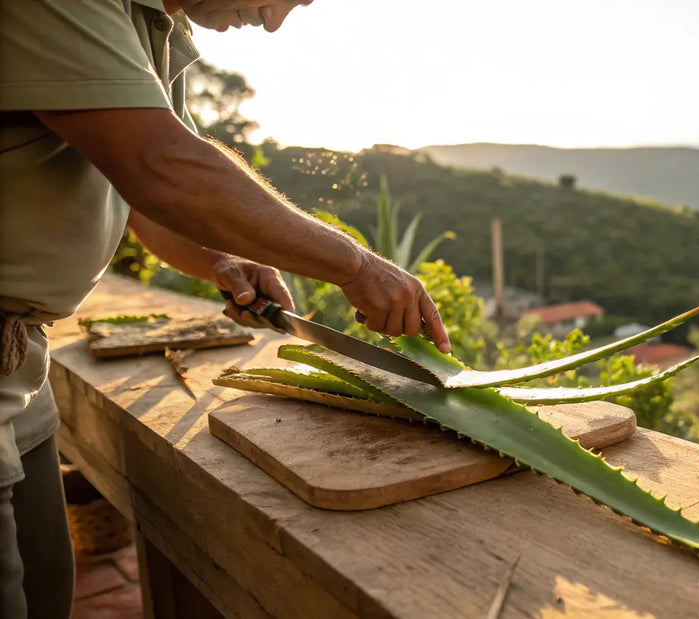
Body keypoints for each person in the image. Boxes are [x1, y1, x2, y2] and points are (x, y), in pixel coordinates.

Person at [0, 1, 451, 616]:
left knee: (42, 592)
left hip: (21, 359)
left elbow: (136, 192)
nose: (271, 22)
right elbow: (160, 167)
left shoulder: (157, 28)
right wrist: (357, 266)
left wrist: (220, 261)